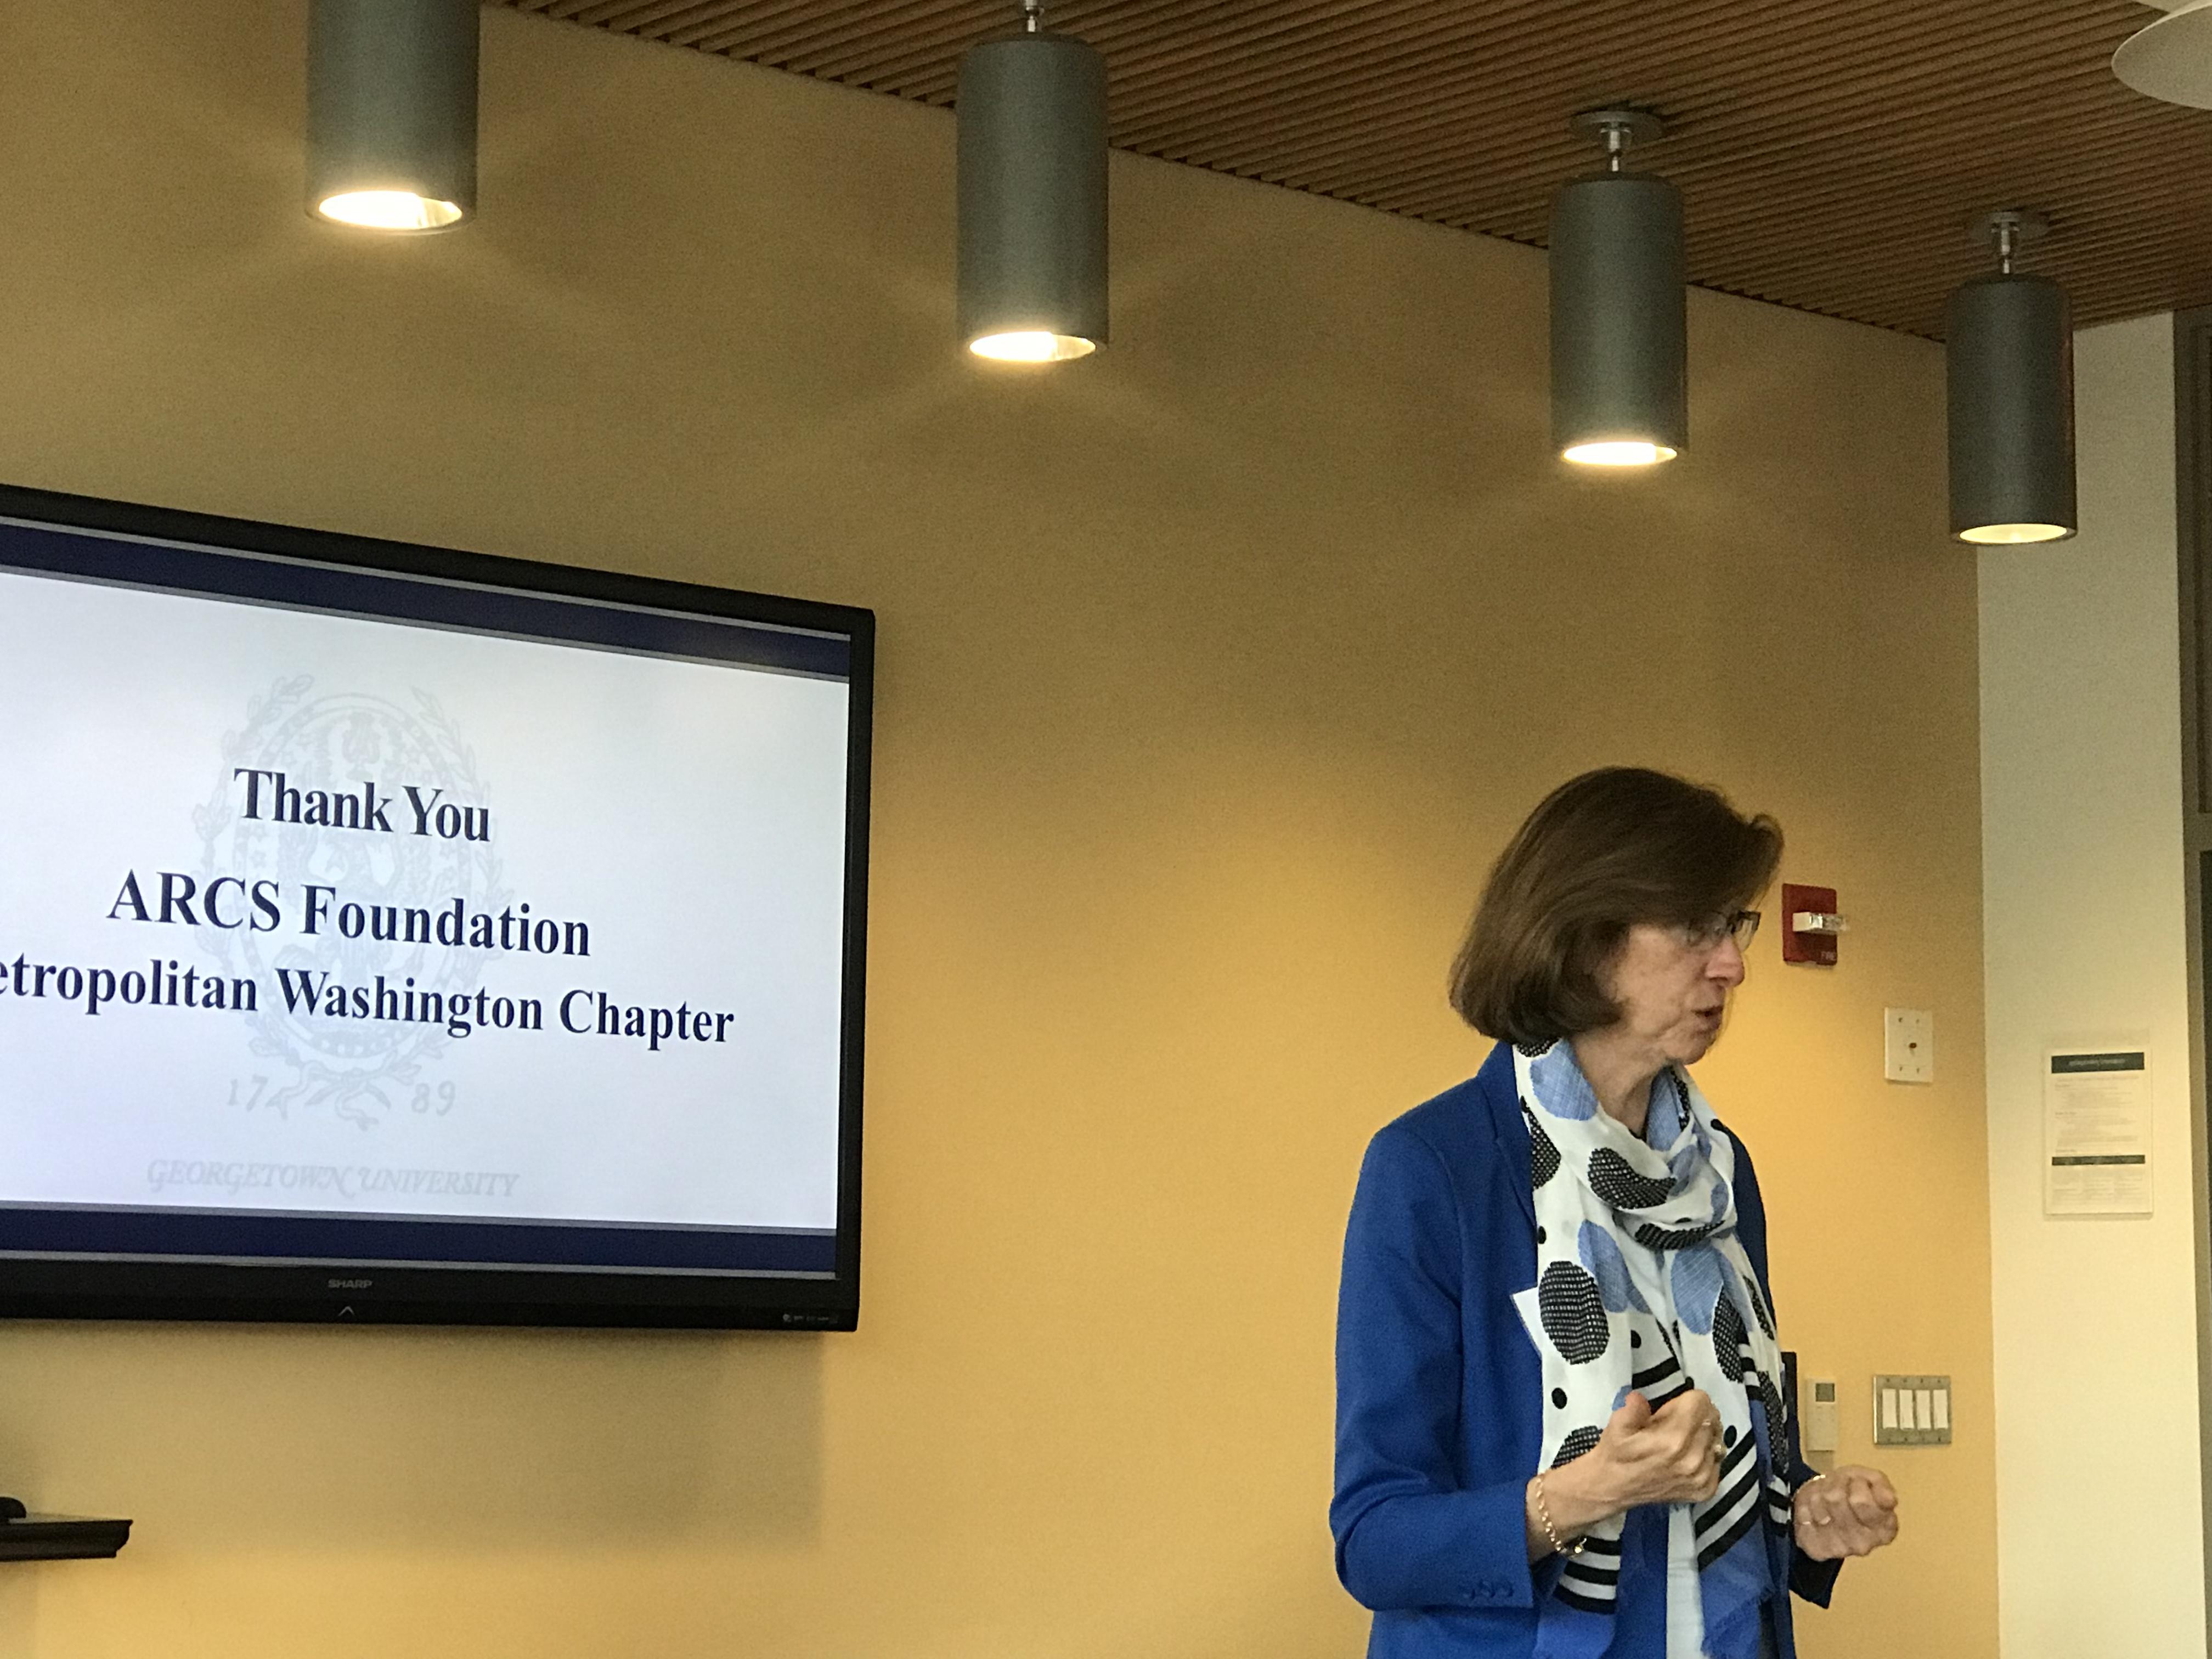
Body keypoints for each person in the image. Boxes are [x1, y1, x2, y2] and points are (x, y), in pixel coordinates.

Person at [1331, 768, 1899, 1659]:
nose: (1733, 964)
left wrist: (1805, 1510)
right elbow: (1375, 1541)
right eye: (1696, 928)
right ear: (1587, 939)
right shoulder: (1435, 1169)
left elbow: (1731, 1461)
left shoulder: (1719, 1170)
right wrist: (1584, 1494)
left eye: (1734, 925)